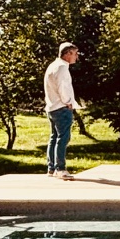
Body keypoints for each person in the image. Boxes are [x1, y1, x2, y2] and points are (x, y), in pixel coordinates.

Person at [44, 43, 80, 178]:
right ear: (68, 53)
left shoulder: (53, 66)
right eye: (75, 53)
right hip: (61, 107)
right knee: (63, 138)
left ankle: (51, 168)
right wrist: (68, 102)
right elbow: (63, 87)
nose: (77, 57)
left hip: (52, 107)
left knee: (54, 137)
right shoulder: (62, 68)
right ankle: (60, 169)